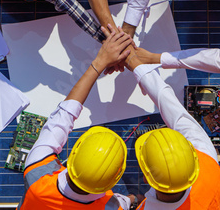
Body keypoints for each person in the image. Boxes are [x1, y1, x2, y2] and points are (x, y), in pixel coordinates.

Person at [18, 25, 138, 209]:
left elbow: (63, 116)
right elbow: (125, 201)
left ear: (73, 154)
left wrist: (99, 62)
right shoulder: (112, 206)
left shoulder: (37, 174)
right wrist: (134, 199)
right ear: (113, 183)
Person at [124, 51, 220, 209]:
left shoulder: (207, 158)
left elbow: (171, 106)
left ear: (145, 178)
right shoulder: (207, 165)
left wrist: (133, 61)